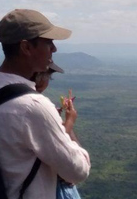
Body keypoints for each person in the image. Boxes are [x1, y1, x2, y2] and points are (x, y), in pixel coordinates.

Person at [0, 9, 91, 199]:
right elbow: (78, 171)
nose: (54, 49)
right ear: (26, 48)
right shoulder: (33, 106)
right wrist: (69, 131)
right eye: (48, 42)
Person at [32, 63, 83, 199]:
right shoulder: (36, 106)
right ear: (41, 80)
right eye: (48, 77)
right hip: (56, 188)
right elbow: (62, 150)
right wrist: (70, 121)